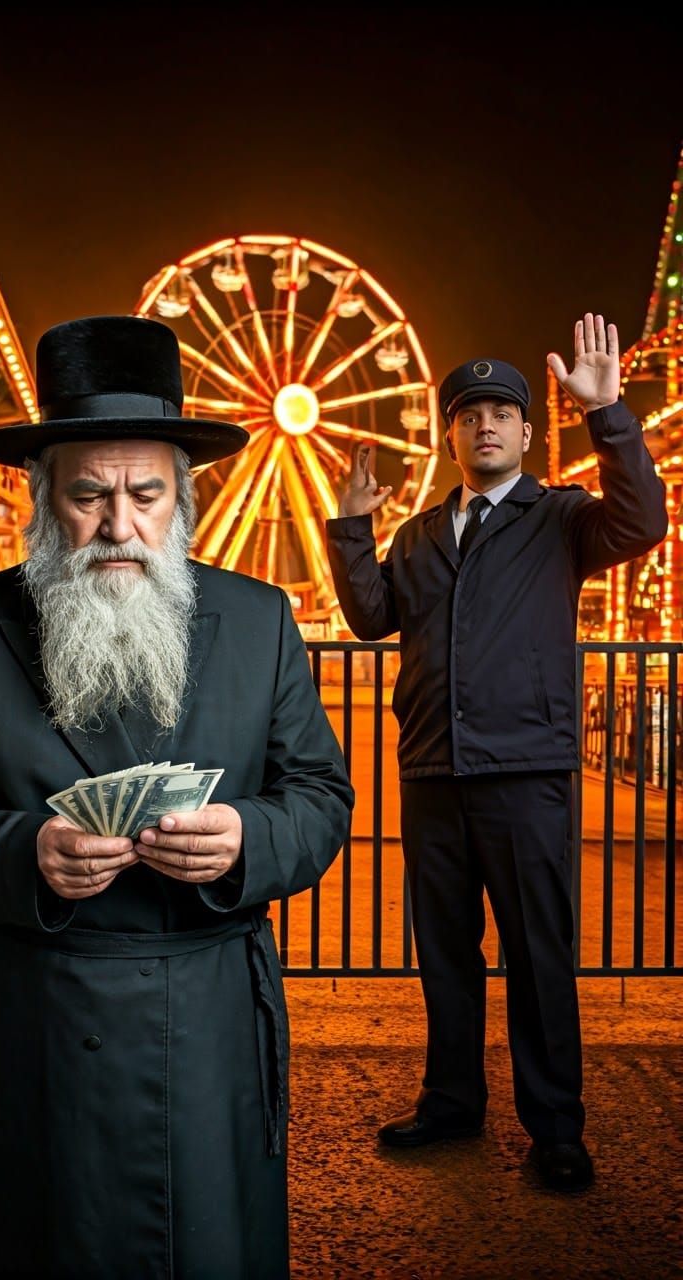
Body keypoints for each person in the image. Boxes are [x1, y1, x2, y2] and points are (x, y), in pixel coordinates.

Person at [0, 315, 353, 1280]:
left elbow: (320, 794)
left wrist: (248, 839)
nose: (118, 524)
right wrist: (25, 855)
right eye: (88, 494)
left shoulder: (261, 619)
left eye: (146, 494)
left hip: (210, 1019)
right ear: (43, 499)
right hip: (40, 1027)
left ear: (183, 498)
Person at [326, 313, 667, 1192]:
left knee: (538, 953)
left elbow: (644, 524)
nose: (485, 423)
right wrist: (352, 528)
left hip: (525, 771)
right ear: (448, 434)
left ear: (523, 432)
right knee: (445, 954)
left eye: (502, 412)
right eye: (469, 411)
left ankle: (555, 1126)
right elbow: (371, 617)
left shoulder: (564, 518)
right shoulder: (417, 535)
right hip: (435, 770)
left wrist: (610, 417)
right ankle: (453, 1101)